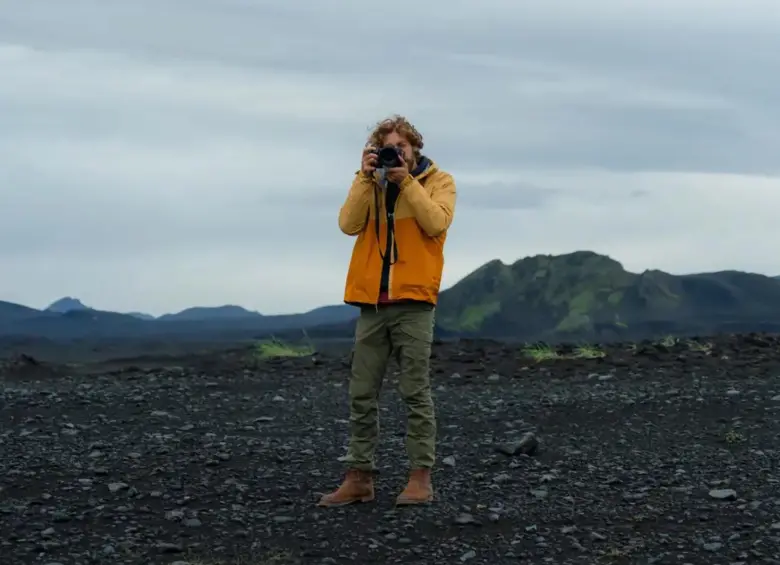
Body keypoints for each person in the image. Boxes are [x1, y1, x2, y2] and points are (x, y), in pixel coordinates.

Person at [317, 115, 457, 507]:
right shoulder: (369, 184)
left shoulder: (440, 183)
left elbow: (436, 222)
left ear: (415, 149)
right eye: (387, 149)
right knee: (361, 393)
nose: (395, 154)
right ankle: (359, 478)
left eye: (402, 148)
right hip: (372, 303)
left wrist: (405, 182)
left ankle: (419, 479)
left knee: (415, 392)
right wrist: (364, 178)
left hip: (413, 302)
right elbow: (347, 224)